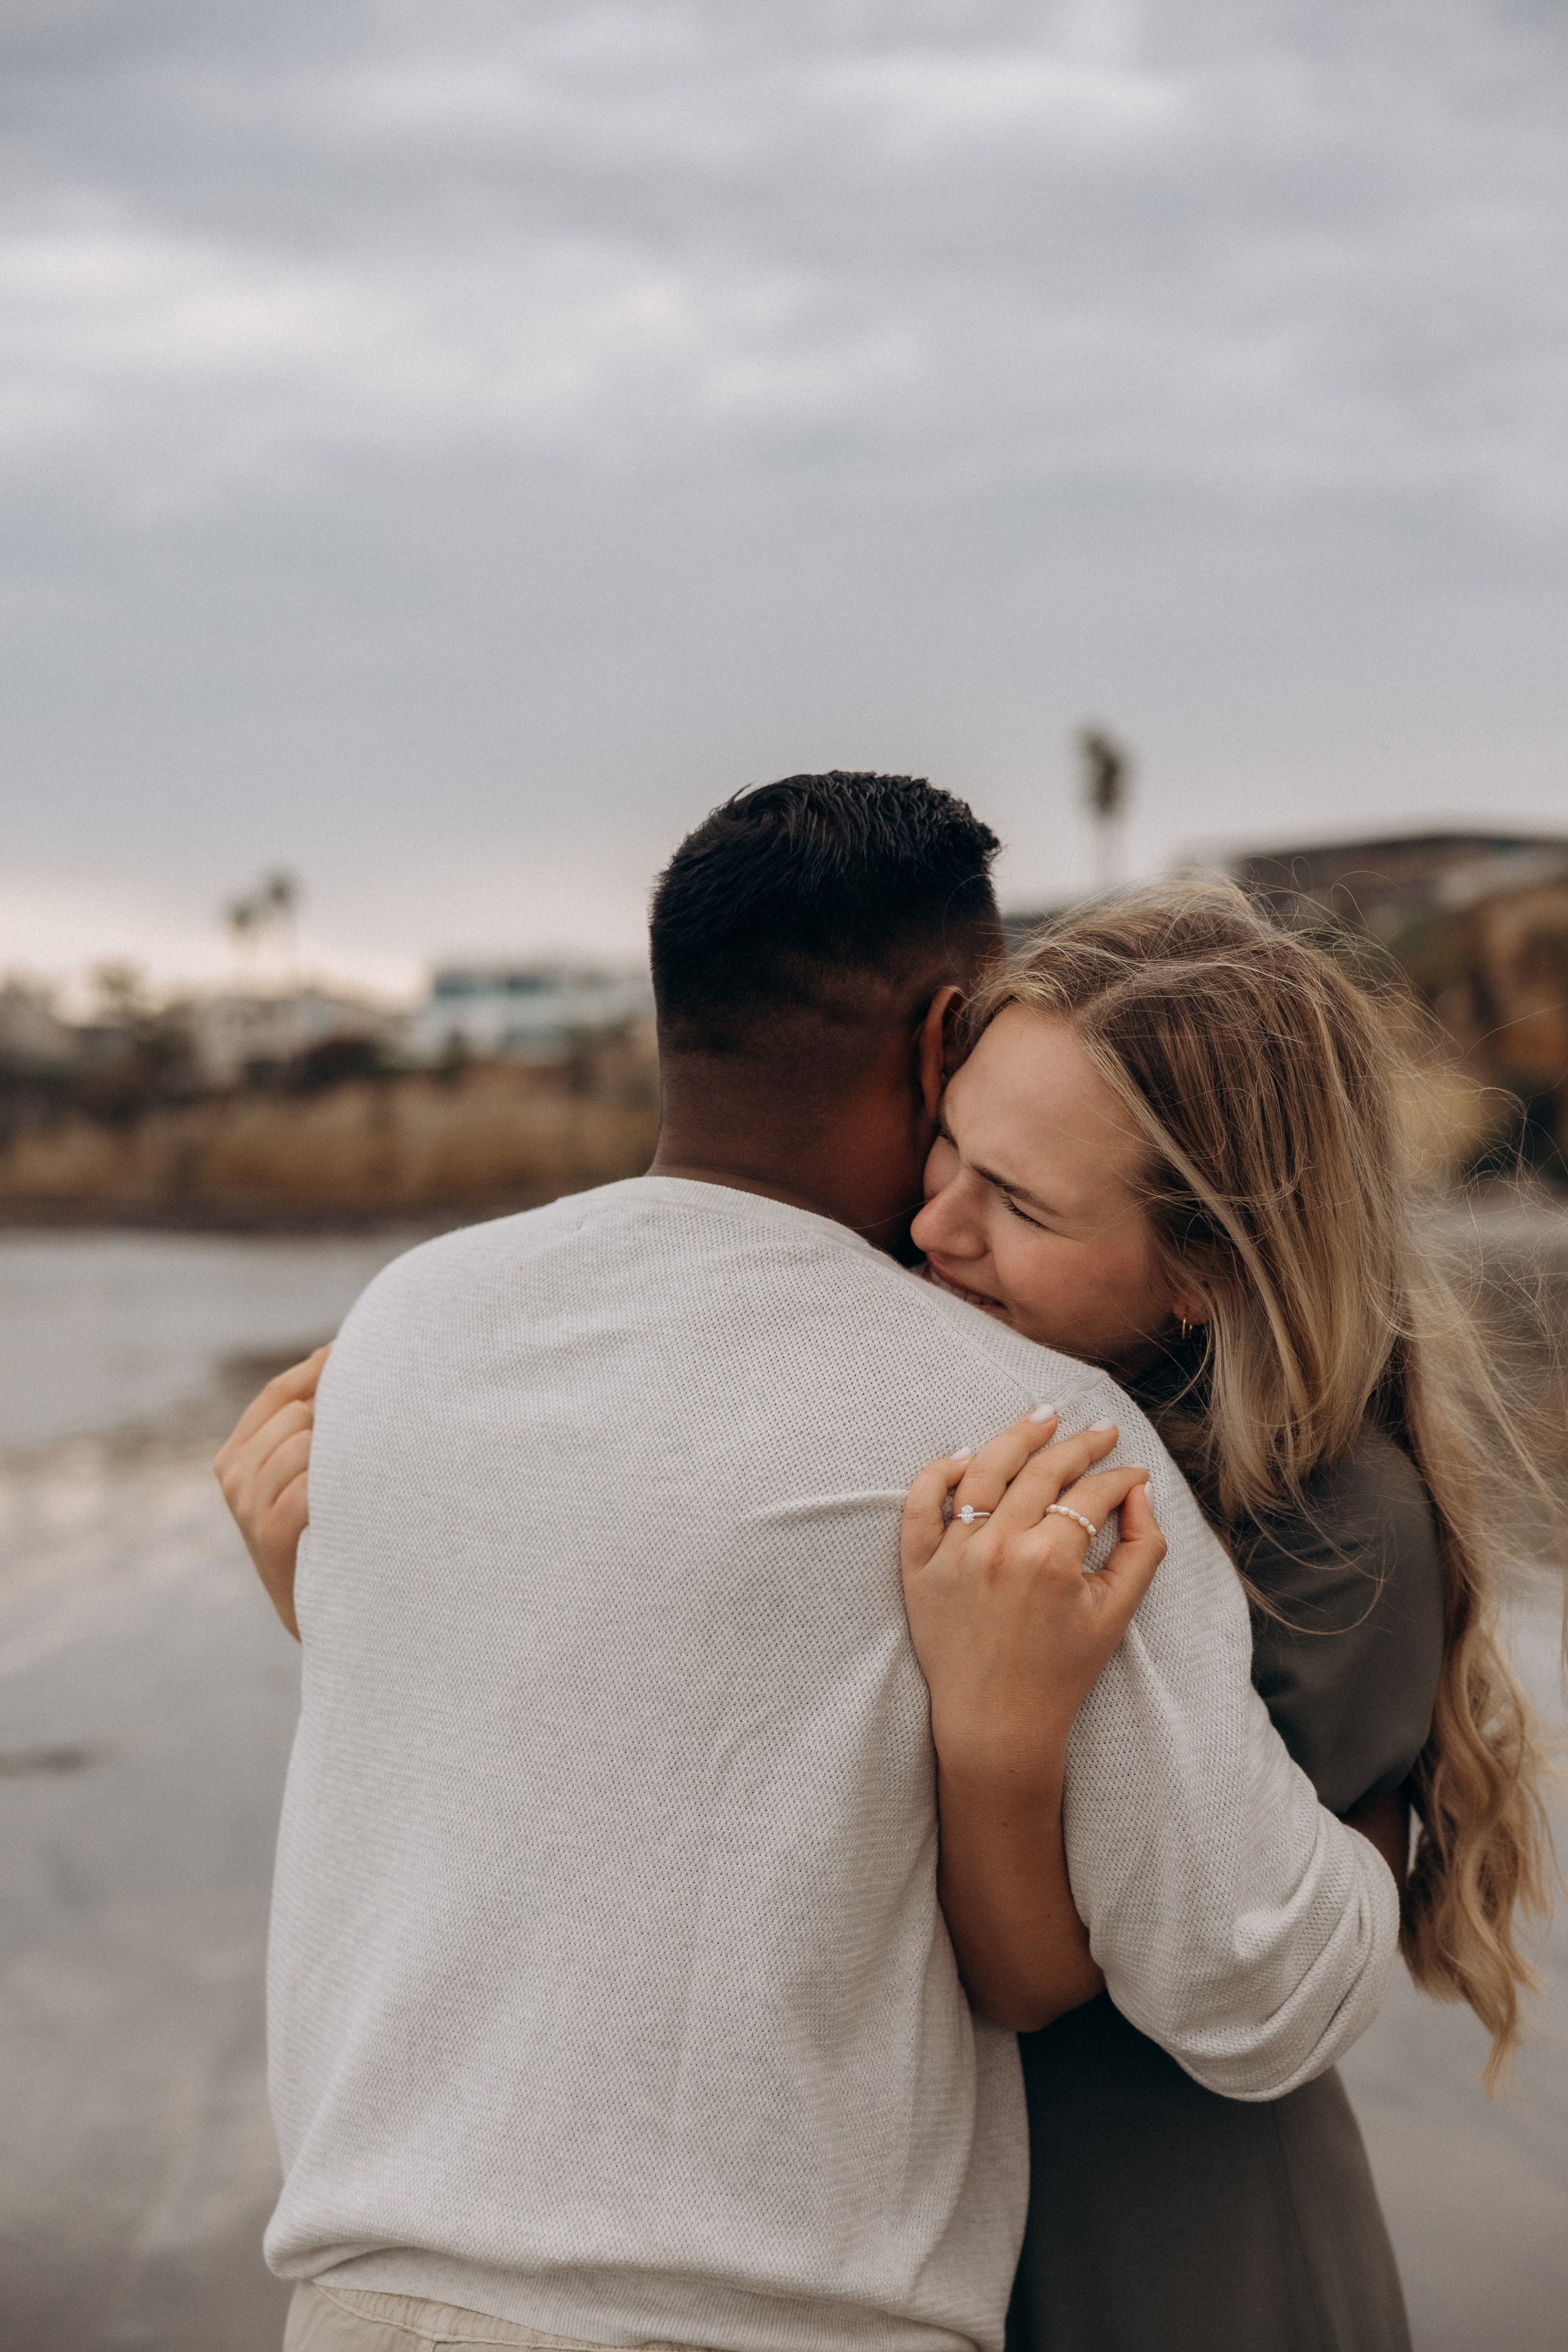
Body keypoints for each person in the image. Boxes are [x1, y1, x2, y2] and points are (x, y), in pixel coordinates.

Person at [228, 774, 1398, 2352]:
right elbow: (1259, 1997)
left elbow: (573, 1739)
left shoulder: (406, 1328)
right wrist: (1382, 1840)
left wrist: (326, 1605)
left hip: (356, 2298)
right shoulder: (1031, 1436)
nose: (948, 1225)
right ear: (939, 1044)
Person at [902, 878, 1554, 2352]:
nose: (935, 1224)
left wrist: (992, 1732)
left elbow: (1050, 1978)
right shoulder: (947, 1393)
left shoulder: (1335, 1533)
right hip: (911, 2220)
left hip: (1164, 2248)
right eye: (944, 1145)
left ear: (1203, 1272)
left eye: (1017, 1202)